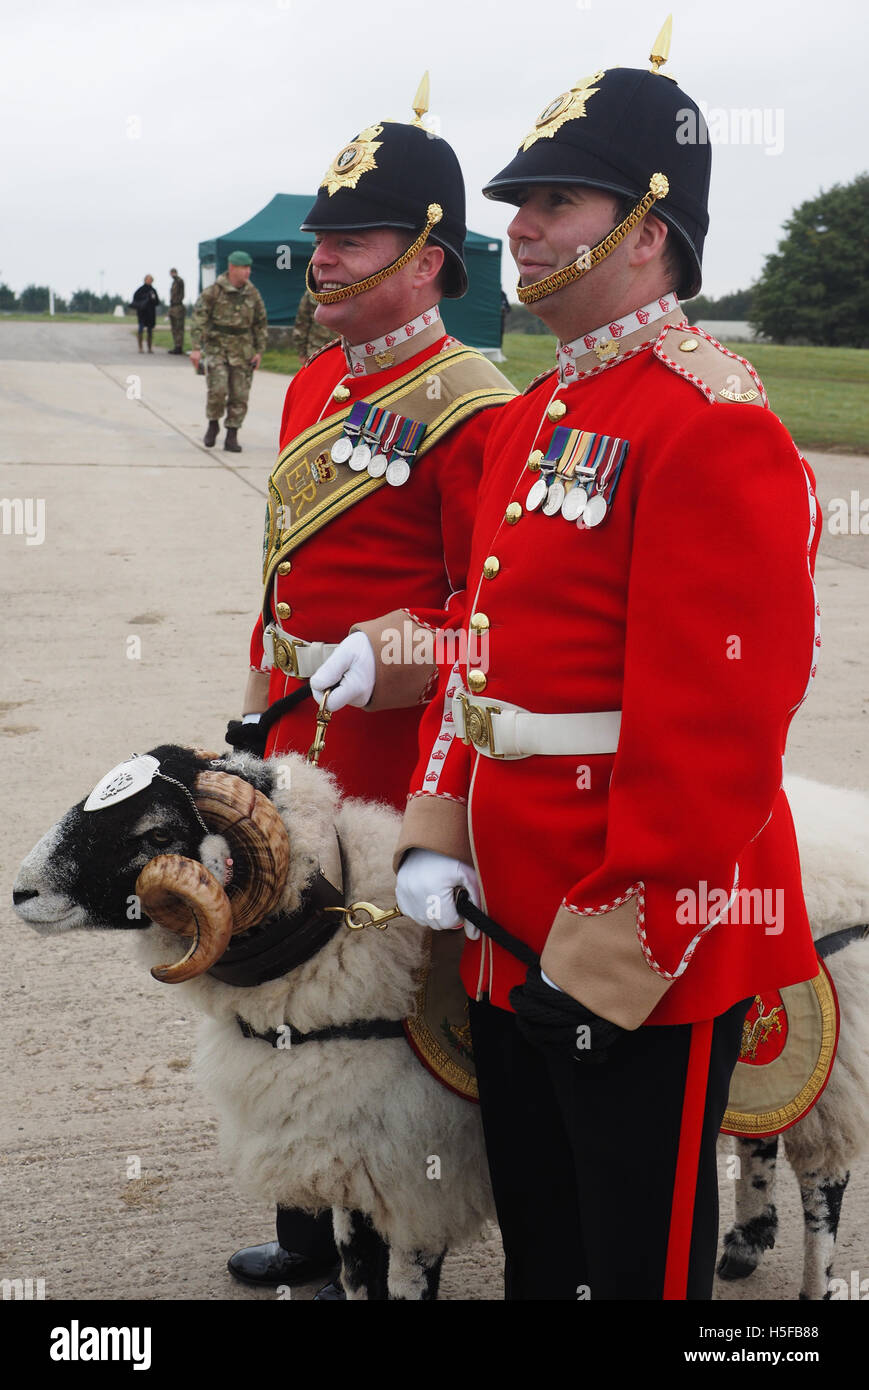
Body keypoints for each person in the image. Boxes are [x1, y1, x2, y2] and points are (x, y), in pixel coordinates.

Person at [393, 26, 822, 1300]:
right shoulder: (537, 412)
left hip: (629, 926)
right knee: (544, 1247)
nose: (518, 225)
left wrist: (617, 944)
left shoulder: (709, 423)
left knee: (637, 1265)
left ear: (647, 225)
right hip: (506, 907)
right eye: (517, 201)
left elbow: (720, 731)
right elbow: (481, 636)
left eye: (553, 200)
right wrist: (437, 827)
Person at [225, 87, 515, 1299]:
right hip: (299, 738)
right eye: (323, 238)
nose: (319, 258)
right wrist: (251, 711)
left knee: (387, 1023)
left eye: (350, 241)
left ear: (427, 260)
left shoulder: (475, 409)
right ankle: (304, 1224)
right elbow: (283, 579)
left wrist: (393, 658)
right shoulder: (317, 385)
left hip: (400, 759)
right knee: (279, 975)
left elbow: (487, 622)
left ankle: (406, 1244)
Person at [190, 251, 268, 452]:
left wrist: (259, 351)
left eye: (249, 268)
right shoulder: (213, 292)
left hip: (243, 351)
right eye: (244, 268)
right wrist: (196, 349)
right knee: (218, 390)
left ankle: (232, 435)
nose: (248, 272)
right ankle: (213, 424)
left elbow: (260, 323)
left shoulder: (253, 293)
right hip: (217, 349)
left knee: (240, 395)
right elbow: (199, 319)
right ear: (232, 268)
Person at [292, 286, 333, 361]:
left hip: (344, 351)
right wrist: (302, 352)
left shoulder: (351, 289)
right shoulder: (311, 292)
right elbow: (302, 322)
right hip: (316, 351)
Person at [131, 275, 158, 353]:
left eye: (150, 280)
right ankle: (140, 348)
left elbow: (157, 302)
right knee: (140, 330)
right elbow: (135, 299)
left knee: (150, 331)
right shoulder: (140, 290)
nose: (149, 281)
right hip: (142, 313)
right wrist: (144, 299)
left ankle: (149, 348)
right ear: (145, 280)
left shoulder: (153, 290)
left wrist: (152, 299)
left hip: (150, 314)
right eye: (148, 279)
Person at [167, 268, 185, 353]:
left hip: (178, 307)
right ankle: (176, 345)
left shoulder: (179, 281)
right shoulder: (173, 283)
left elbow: (180, 282)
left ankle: (179, 347)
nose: (172, 275)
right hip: (173, 307)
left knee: (179, 328)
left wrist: (176, 276)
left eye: (174, 273)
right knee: (174, 328)